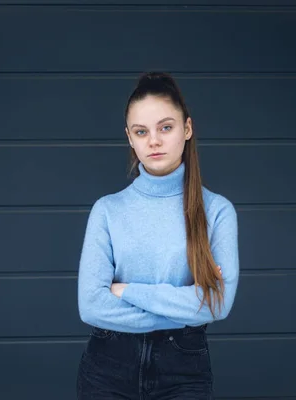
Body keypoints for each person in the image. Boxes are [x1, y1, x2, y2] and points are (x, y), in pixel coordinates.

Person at [76, 71, 240, 399]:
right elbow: (91, 306)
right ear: (129, 138)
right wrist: (183, 305)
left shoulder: (218, 211)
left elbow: (217, 305)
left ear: (187, 129)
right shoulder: (108, 210)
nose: (154, 141)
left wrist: (125, 290)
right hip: (107, 369)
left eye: (166, 127)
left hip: (184, 371)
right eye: (141, 131)